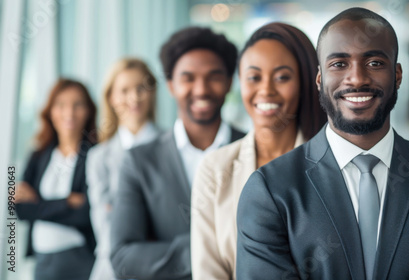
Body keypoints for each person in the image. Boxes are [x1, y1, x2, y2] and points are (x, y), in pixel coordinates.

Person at [236, 7, 409, 280]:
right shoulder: (270, 190)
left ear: (397, 75)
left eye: (374, 63)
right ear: (319, 79)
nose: (357, 79)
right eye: (339, 64)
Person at [190, 22, 327, 280]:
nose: (266, 90)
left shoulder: (332, 164)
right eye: (254, 77)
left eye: (282, 77)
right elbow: (209, 271)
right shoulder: (215, 168)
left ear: (307, 81)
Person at [110, 27, 245, 280]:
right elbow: (123, 257)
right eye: (188, 78)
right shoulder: (140, 161)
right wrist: (213, 247)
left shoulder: (255, 150)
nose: (201, 89)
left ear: (229, 83)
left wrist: (160, 252)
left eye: (213, 77)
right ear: (171, 85)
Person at [15, 78, 97, 280]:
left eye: (77, 105)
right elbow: (20, 209)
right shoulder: (38, 155)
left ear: (88, 111)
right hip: (42, 261)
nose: (69, 113)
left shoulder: (94, 155)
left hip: (81, 259)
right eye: (61, 105)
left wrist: (38, 205)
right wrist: (67, 202)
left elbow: (85, 214)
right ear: (50, 111)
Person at [86, 58, 160, 280]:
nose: (134, 97)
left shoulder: (173, 146)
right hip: (112, 269)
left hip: (163, 266)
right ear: (111, 97)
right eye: (124, 90)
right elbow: (104, 223)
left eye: (141, 88)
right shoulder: (99, 157)